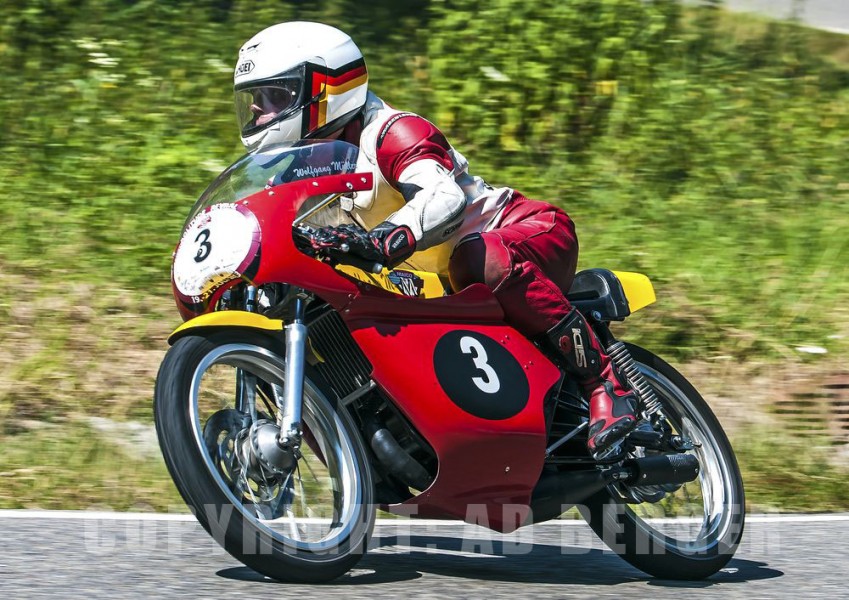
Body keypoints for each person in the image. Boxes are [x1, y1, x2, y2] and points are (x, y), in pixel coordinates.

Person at [233, 21, 637, 458]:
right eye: (254, 100)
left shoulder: (390, 132)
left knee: (476, 258)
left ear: (327, 88)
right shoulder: (299, 171)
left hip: (523, 232)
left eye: (275, 96)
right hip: (437, 288)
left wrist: (384, 240)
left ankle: (606, 384)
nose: (258, 112)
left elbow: (443, 198)